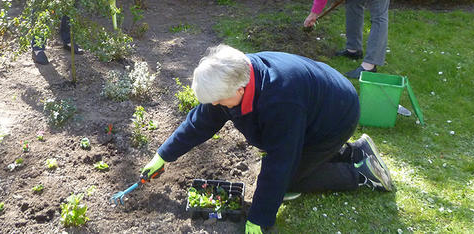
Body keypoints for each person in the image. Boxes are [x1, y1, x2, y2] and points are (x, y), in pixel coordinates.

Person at [140, 45, 394, 233]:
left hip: (335, 117)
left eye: (218, 100)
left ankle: (361, 175)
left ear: (239, 91)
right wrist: (163, 154)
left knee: (289, 179)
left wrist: (260, 217)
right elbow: (201, 122)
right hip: (316, 106)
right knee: (291, 155)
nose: (215, 105)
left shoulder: (279, 100)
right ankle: (355, 151)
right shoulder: (234, 75)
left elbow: (280, 161)